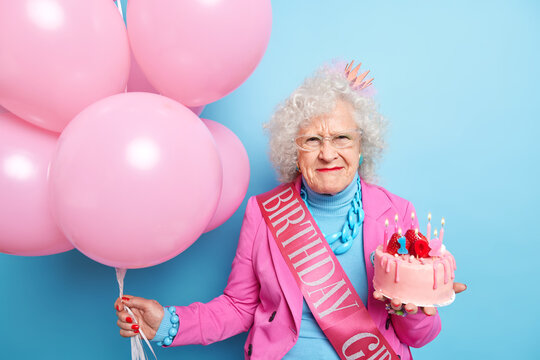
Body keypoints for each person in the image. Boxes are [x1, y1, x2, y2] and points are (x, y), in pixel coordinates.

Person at [114, 62, 466, 359]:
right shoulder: (264, 212)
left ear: (363, 146)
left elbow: (419, 336)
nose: (328, 154)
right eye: (312, 140)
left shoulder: (396, 213)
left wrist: (417, 308)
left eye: (342, 138)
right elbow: (239, 307)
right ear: (293, 152)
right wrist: (168, 323)